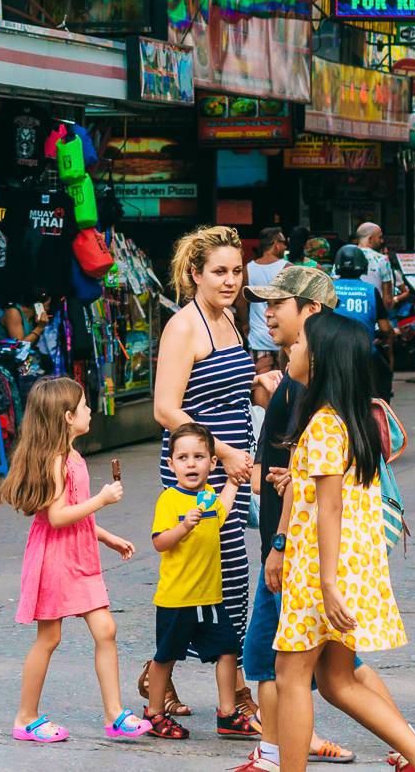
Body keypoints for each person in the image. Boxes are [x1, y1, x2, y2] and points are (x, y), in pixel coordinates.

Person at [269, 312, 415, 772]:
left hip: (322, 570)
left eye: (299, 343)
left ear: (319, 361)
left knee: (291, 676)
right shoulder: (351, 420)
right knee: (337, 679)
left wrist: (326, 583)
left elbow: (330, 508)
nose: (290, 350)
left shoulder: (322, 423)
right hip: (349, 564)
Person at [244, 265, 390, 769]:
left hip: (303, 561)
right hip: (300, 555)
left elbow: (326, 497)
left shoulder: (307, 386)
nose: (267, 313)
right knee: (338, 677)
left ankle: (275, 756)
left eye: (278, 303)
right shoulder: (301, 380)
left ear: (311, 313)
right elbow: (300, 475)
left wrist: (281, 548)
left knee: (279, 668)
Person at [150, 225, 256, 736]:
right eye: (219, 271)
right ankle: (216, 689)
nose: (230, 280)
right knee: (210, 574)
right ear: (195, 274)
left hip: (233, 468)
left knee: (227, 577)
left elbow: (226, 387)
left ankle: (181, 678)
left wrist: (262, 384)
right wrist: (224, 452)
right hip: (199, 471)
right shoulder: (184, 327)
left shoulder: (231, 320)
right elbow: (166, 407)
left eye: (236, 271)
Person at [1, 376, 149, 744]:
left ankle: (115, 713)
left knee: (106, 629)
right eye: (84, 406)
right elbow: (57, 517)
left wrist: (107, 537)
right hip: (56, 559)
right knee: (49, 637)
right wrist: (102, 500)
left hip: (79, 556)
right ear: (68, 417)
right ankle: (26, 716)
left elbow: (74, 514)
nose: (90, 411)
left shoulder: (73, 456)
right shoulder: (56, 461)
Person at [141, 422, 243, 740]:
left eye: (199, 456)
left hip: (210, 598)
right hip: (177, 599)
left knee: (228, 650)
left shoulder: (210, 497)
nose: (191, 463)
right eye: (183, 457)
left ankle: (227, 714)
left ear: (212, 463)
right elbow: (160, 542)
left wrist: (234, 483)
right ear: (171, 464)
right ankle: (154, 713)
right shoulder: (170, 500)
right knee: (165, 657)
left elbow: (222, 512)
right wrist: (183, 527)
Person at [329, 245, 390, 400]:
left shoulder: (328, 288)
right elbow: (384, 327)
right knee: (384, 376)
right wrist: (387, 335)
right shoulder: (371, 291)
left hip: (332, 351)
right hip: (364, 351)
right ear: (363, 266)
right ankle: (383, 413)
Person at [245, 227, 291, 374]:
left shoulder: (248, 268)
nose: (285, 247)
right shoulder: (288, 268)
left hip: (258, 338)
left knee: (262, 385)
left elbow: (240, 303)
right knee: (285, 386)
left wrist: (246, 324)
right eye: (283, 243)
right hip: (284, 337)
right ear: (276, 244)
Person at [353, 223, 398, 316]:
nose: (381, 241)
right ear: (370, 239)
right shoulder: (382, 260)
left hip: (346, 320)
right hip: (373, 320)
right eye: (379, 237)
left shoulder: (343, 258)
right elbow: (388, 300)